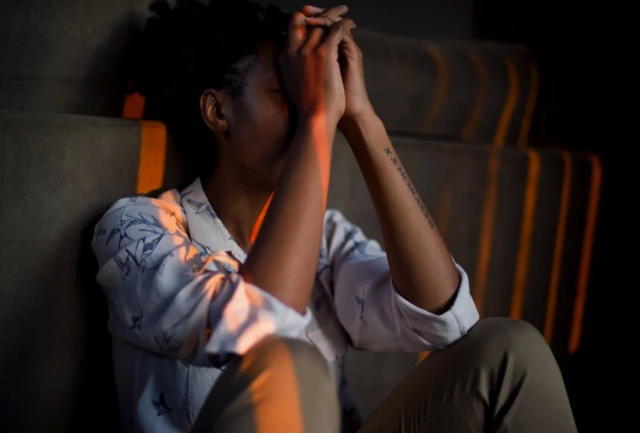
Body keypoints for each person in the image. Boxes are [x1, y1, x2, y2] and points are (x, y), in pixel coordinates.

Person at [92, 1, 578, 432]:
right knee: (290, 362)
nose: (311, 106)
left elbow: (448, 322)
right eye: (289, 93)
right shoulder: (137, 230)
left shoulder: (328, 237)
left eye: (316, 94)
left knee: (510, 348)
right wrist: (319, 118)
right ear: (218, 111)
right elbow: (264, 329)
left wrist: (361, 118)